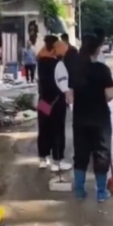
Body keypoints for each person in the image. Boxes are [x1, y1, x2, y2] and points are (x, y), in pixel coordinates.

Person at [69, 33, 113, 202]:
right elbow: (110, 95)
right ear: (96, 49)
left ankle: (80, 191)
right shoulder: (102, 70)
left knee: (80, 152)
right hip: (100, 118)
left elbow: (71, 94)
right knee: (101, 153)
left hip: (80, 117)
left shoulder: (75, 70)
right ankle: (101, 192)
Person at [36, 34, 71, 172]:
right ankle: (58, 161)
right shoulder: (59, 64)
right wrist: (68, 94)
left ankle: (43, 159)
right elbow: (63, 84)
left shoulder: (40, 63)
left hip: (43, 100)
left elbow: (37, 81)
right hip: (57, 102)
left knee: (44, 129)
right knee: (57, 130)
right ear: (55, 48)